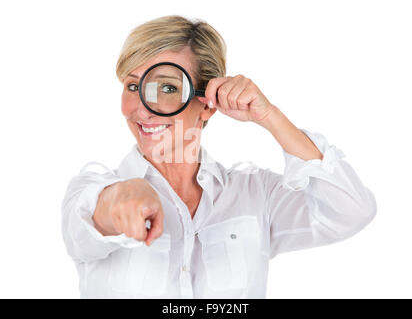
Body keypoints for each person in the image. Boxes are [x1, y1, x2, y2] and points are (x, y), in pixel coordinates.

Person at [61, 15, 377, 298]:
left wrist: (270, 117)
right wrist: (125, 194)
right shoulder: (88, 191)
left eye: (167, 88)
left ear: (207, 103)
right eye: (132, 85)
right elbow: (96, 215)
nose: (141, 108)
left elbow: (351, 211)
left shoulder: (257, 195)